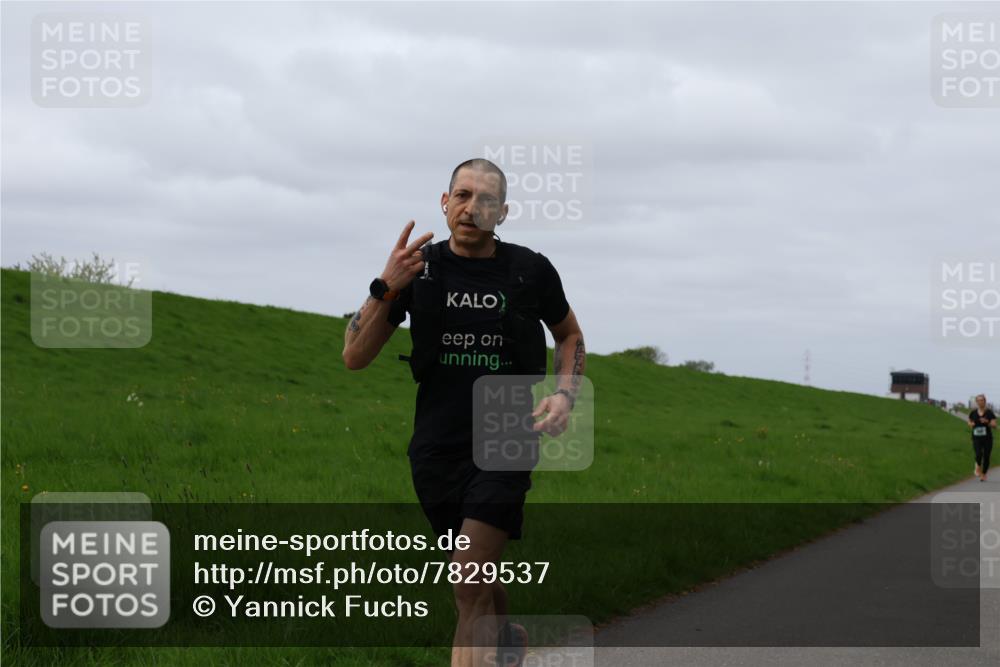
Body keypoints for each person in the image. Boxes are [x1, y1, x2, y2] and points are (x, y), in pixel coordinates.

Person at [342, 158, 586, 667]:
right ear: (445, 202)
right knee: (475, 572)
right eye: (464, 195)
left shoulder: (530, 270)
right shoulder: (418, 271)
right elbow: (354, 357)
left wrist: (565, 394)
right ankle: (507, 641)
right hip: (435, 446)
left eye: (487, 200)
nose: (473, 208)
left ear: (503, 213)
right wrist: (385, 284)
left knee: (467, 581)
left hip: (506, 433)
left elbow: (569, 335)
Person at [968, 394, 997, 482]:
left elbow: (994, 425)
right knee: (978, 454)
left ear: (985, 401)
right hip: (976, 437)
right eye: (978, 400)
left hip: (987, 438)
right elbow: (969, 422)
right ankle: (978, 466)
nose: (980, 402)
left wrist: (987, 422)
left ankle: (983, 474)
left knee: (986, 456)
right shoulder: (973, 413)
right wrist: (971, 424)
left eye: (982, 400)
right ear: (976, 402)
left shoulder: (989, 413)